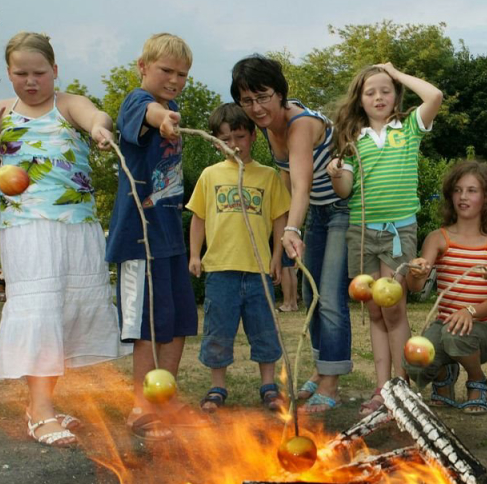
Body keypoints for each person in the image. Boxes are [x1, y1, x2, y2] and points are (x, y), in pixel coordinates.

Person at [0, 32, 128, 447]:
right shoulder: (0, 112)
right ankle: (39, 410)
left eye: (39, 72)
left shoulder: (67, 104)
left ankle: (45, 404)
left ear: (55, 71)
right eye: (21, 73)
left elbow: (96, 116)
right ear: (9, 73)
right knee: (39, 310)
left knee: (63, 313)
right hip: (26, 228)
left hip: (76, 224)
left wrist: (99, 130)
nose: (31, 81)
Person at [231, 55, 349, 412]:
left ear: (280, 93)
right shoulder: (270, 126)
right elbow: (285, 182)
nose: (256, 107)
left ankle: (331, 381)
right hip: (318, 214)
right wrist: (282, 232)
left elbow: (302, 184)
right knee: (313, 296)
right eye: (247, 100)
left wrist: (293, 228)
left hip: (346, 211)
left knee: (329, 296)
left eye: (263, 96)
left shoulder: (300, 124)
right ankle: (320, 366)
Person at [328, 63, 443, 415]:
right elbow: (346, 191)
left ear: (396, 95)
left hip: (398, 231)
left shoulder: (408, 128)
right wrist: (335, 176)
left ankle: (402, 386)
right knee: (375, 309)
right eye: (370, 92)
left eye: (386, 90)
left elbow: (435, 95)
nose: (378, 97)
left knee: (395, 308)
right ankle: (382, 388)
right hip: (361, 232)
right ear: (359, 100)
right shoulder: (350, 139)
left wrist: (395, 71)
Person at [106, 33, 198, 440]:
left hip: (169, 236)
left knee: (176, 320)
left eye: (183, 74)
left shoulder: (172, 107)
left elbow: (166, 112)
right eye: (166, 71)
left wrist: (170, 115)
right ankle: (141, 404)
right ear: (142, 66)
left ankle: (165, 396)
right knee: (146, 326)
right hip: (140, 238)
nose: (175, 80)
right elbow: (148, 115)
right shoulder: (137, 102)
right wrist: (163, 120)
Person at [187, 103, 290, 414]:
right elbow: (199, 218)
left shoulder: (268, 176)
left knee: (265, 330)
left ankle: (269, 386)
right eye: (225, 138)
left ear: (253, 137)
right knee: (218, 330)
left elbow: (279, 219)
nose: (233, 144)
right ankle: (218, 386)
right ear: (217, 142)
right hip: (221, 270)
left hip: (258, 272)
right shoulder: (210, 175)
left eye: (240, 136)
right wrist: (195, 253)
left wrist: (277, 257)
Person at [404, 161, 487, 414]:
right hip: (445, 325)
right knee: (414, 362)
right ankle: (444, 374)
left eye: (472, 190)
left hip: (484, 327)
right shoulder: (438, 238)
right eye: (458, 190)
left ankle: (477, 381)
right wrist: (416, 272)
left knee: (456, 336)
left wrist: (470, 311)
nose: (463, 197)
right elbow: (416, 287)